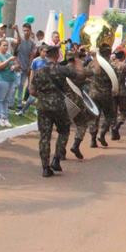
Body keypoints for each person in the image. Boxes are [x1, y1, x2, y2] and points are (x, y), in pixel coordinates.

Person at [29, 45, 83, 177]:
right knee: (64, 131)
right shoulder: (62, 70)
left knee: (44, 137)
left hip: (43, 107)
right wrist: (76, 58)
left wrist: (44, 97)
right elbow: (80, 74)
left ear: (46, 55)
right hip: (60, 107)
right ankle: (56, 160)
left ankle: (45, 168)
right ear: (57, 55)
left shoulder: (39, 71)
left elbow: (31, 91)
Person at [0, 38, 17, 128]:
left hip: (10, 79)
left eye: (7, 45)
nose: (6, 47)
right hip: (0, 80)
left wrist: (15, 66)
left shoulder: (8, 54)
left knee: (6, 100)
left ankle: (5, 118)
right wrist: (9, 60)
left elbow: (15, 64)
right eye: (4, 45)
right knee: (0, 99)